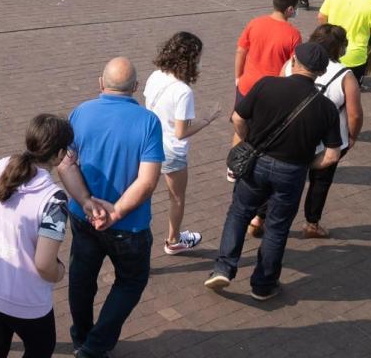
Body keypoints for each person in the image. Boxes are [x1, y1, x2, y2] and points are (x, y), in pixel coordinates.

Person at [206, 43, 341, 300]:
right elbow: (332, 155)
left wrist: (248, 142)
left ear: (292, 61)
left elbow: (237, 117)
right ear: (321, 72)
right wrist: (306, 163)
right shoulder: (326, 107)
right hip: (292, 172)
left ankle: (223, 268)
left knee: (239, 213)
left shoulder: (267, 84)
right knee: (277, 227)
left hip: (257, 162)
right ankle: (263, 284)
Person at [58, 57, 164, 358]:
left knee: (82, 277)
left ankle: (81, 336)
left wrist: (88, 203)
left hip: (84, 219)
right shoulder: (148, 122)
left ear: (100, 83)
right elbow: (146, 182)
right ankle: (96, 346)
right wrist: (116, 212)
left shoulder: (81, 112)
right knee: (131, 281)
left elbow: (65, 164)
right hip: (129, 226)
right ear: (136, 87)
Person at [0, 115, 72, 358]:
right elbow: (45, 264)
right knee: (41, 347)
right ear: (58, 155)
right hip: (26, 299)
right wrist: (60, 272)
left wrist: (3, 238)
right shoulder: (54, 199)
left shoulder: (3, 164)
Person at [277, 25, 362, 239]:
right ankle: (312, 223)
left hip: (292, 135)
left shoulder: (292, 64)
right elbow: (354, 114)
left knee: (280, 178)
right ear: (339, 47)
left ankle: (259, 217)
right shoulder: (345, 75)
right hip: (328, 142)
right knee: (320, 182)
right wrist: (352, 136)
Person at [144, 32, 221, 254]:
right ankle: (173, 240)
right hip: (172, 151)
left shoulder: (155, 75)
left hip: (149, 143)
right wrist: (207, 119)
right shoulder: (183, 91)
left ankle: (139, 242)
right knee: (176, 198)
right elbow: (180, 132)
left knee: (143, 195)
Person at [234, 0, 303, 123]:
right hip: (271, 93)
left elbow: (240, 51)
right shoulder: (293, 35)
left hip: (246, 86)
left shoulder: (255, 23)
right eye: (297, 6)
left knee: (240, 125)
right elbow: (293, 66)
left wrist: (238, 78)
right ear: (290, 9)